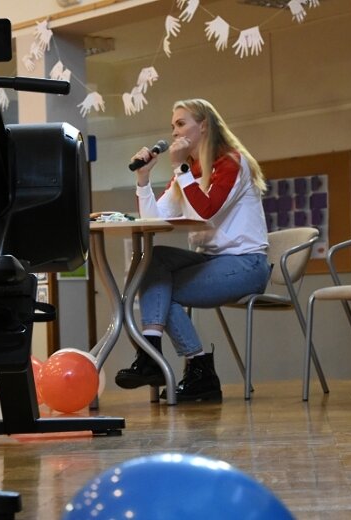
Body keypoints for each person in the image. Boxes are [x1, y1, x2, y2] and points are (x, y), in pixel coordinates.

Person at [114, 98, 270, 402]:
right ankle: (165, 358)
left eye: (181, 123)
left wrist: (178, 168)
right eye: (173, 126)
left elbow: (207, 211)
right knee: (153, 260)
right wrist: (143, 180)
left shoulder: (231, 162)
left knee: (162, 288)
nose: (174, 132)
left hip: (246, 265)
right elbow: (153, 220)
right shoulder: (187, 172)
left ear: (204, 125)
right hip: (211, 261)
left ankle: (183, 366)